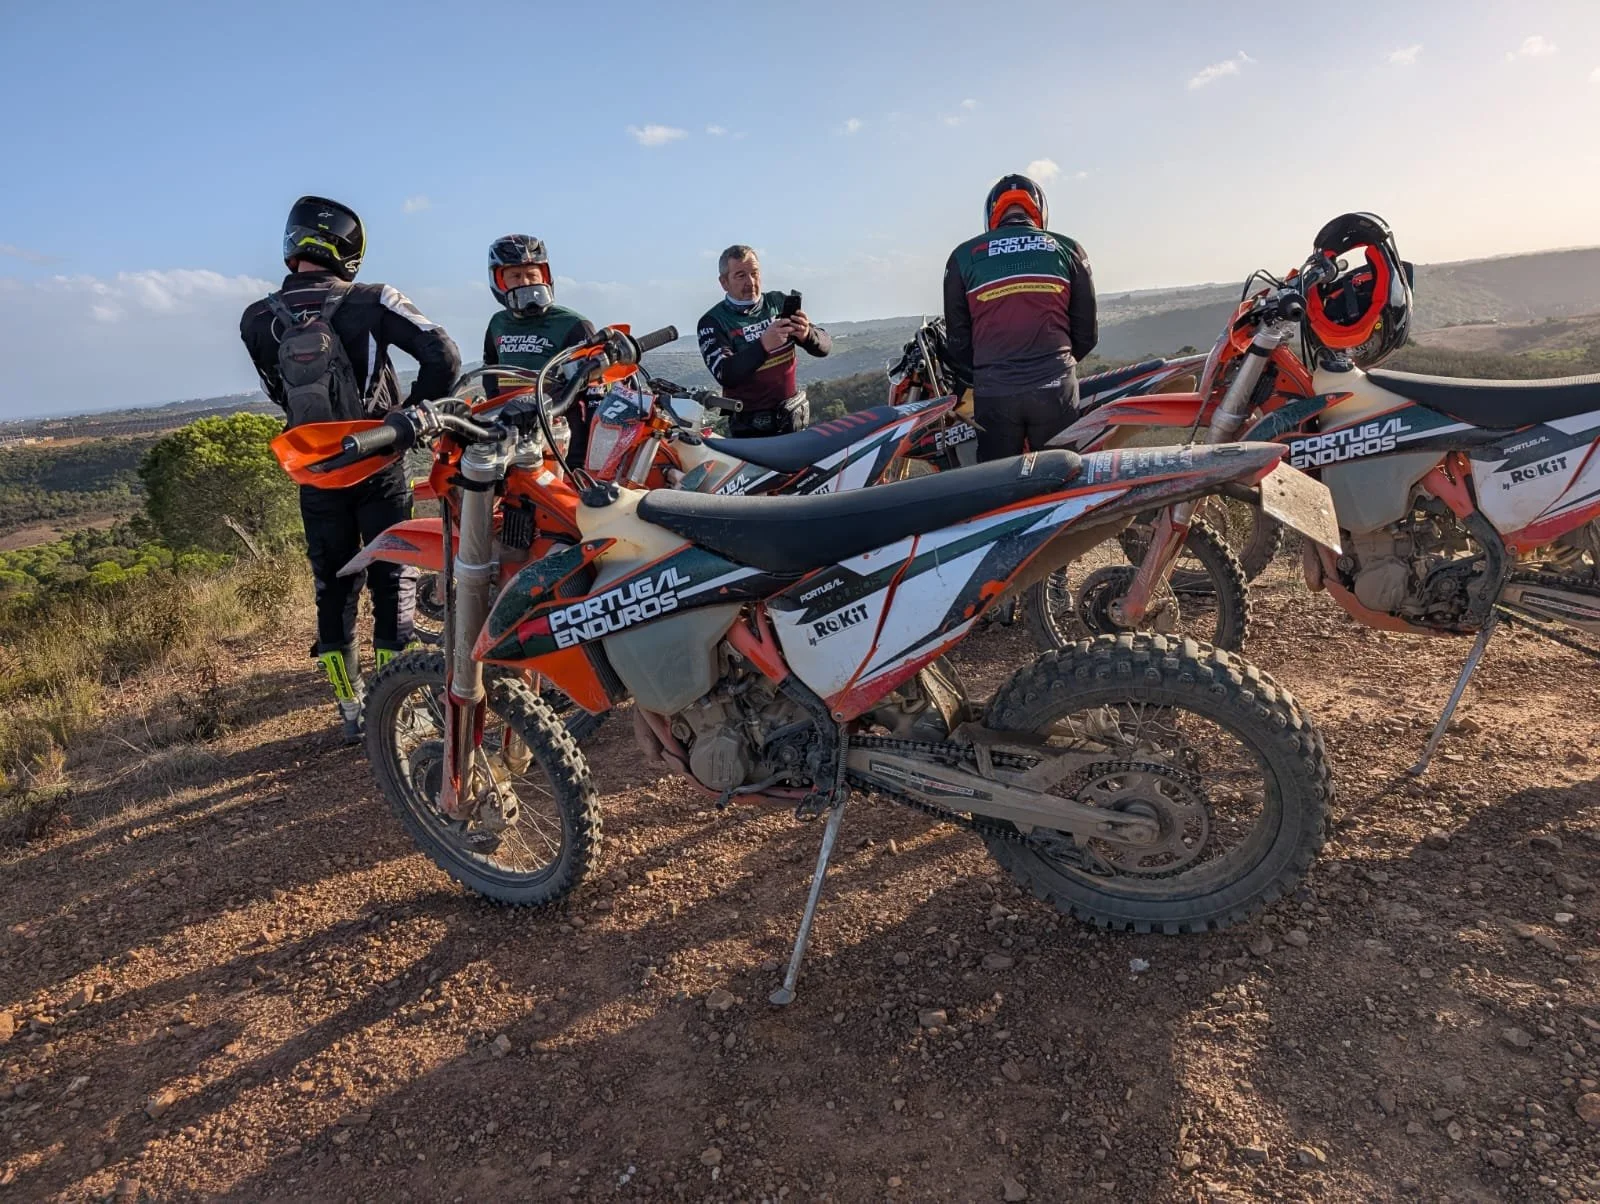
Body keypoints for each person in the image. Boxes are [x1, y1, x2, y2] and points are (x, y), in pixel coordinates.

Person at [240, 195, 461, 740]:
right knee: (393, 577)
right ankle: (399, 706)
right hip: (376, 457)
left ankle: (348, 704)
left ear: (294, 245)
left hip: (315, 466)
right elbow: (445, 357)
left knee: (332, 587)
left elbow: (279, 394)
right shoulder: (372, 299)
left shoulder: (257, 318)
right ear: (349, 246)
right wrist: (408, 416)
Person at [942, 173, 1097, 462]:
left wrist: (991, 374)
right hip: (1056, 388)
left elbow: (958, 342)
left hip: (994, 393)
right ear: (1039, 211)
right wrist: (1051, 368)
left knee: (998, 491)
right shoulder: (1069, 249)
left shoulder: (962, 257)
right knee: (1059, 482)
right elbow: (1086, 335)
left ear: (992, 213)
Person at [482, 234, 599, 463]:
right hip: (510, 432)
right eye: (516, 275)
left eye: (532, 274)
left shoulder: (573, 324)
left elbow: (593, 390)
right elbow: (490, 369)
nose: (525, 282)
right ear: (499, 281)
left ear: (545, 276)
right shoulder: (497, 323)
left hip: (559, 435)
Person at [697, 245, 831, 436]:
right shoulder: (712, 321)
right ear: (724, 282)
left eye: (754, 273)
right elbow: (725, 373)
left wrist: (807, 334)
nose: (750, 282)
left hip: (793, 417)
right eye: (741, 275)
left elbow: (825, 347)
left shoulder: (777, 302)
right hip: (750, 428)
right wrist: (764, 345)